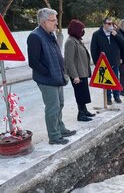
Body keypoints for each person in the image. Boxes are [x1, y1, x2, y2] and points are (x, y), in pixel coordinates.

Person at [27, 8, 76, 145]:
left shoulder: (50, 34)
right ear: (43, 22)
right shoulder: (35, 36)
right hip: (47, 79)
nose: (56, 23)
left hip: (57, 77)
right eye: (53, 20)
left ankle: (61, 129)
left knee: (59, 104)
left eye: (56, 20)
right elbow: (33, 62)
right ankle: (54, 137)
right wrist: (48, 73)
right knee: (52, 107)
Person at [64, 19, 95, 122]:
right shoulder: (70, 42)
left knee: (84, 93)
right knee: (80, 94)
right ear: (76, 30)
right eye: (81, 29)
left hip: (82, 72)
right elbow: (69, 60)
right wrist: (75, 75)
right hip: (77, 74)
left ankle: (84, 110)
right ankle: (80, 114)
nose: (83, 31)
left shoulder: (77, 41)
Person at [90, 17, 124, 105]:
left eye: (112, 23)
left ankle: (117, 96)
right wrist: (96, 63)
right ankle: (108, 98)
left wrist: (115, 35)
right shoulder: (97, 34)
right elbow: (93, 50)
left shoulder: (115, 33)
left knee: (116, 79)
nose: (111, 25)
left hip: (115, 61)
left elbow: (123, 44)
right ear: (104, 24)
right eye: (109, 24)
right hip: (104, 63)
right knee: (107, 81)